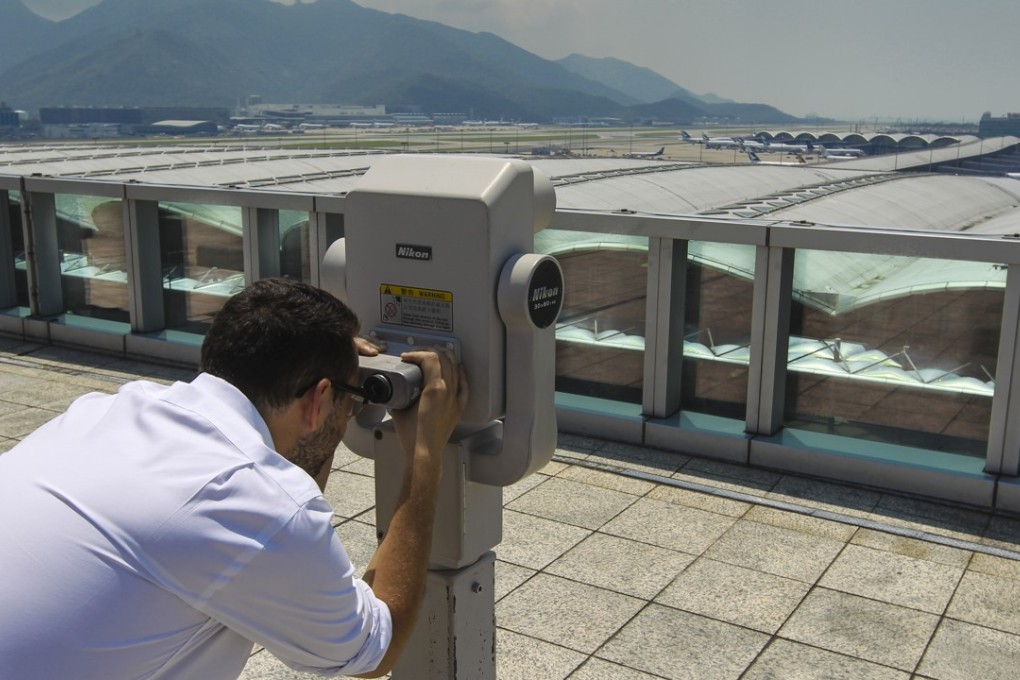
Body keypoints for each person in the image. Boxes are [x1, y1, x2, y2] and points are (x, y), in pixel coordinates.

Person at [0, 278, 468, 679]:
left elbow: (275, 510)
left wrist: (333, 397)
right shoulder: (252, 504)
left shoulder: (104, 410)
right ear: (319, 398)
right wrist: (424, 457)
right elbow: (371, 651)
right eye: (348, 399)